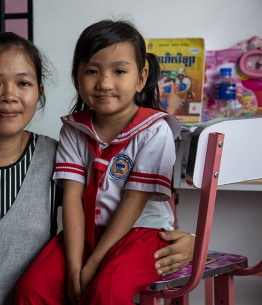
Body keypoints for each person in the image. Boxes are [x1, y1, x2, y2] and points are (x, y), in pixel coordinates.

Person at [0, 31, 194, 305]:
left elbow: (107, 206)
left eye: (23, 83)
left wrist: (189, 242)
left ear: (39, 93)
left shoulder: (49, 155)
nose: (9, 96)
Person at [15, 20, 185, 305]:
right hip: (86, 233)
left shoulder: (155, 129)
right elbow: (72, 198)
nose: (104, 83)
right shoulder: (74, 129)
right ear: (76, 76)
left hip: (142, 234)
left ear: (141, 77)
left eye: (119, 71)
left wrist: (91, 264)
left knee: (107, 291)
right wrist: (74, 266)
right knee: (33, 287)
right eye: (92, 71)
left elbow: (134, 202)